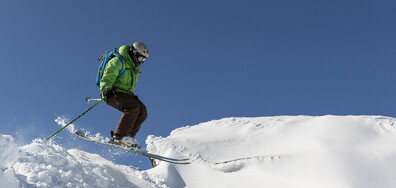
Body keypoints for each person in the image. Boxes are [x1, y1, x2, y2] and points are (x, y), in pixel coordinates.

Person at [100, 42, 149, 147]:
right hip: (112, 92)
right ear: (133, 53)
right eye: (140, 58)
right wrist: (106, 89)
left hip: (126, 94)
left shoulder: (134, 67)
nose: (141, 62)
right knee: (133, 106)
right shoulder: (118, 61)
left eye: (144, 60)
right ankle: (119, 137)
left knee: (143, 111)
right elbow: (108, 75)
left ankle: (128, 138)